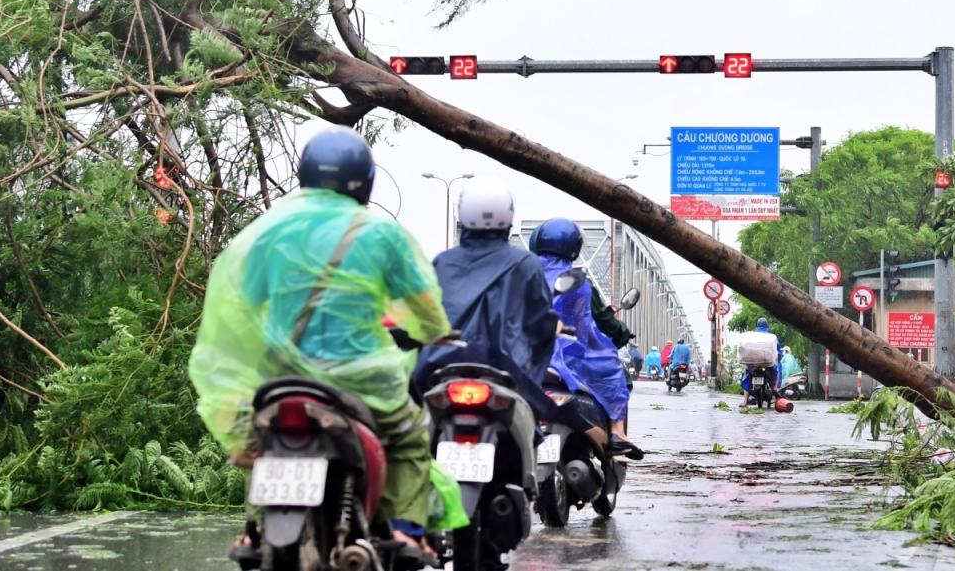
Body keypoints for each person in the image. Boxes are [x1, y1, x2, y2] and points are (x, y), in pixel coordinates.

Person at [189, 126, 451, 563]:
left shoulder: (268, 231)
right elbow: (422, 308)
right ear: (365, 181)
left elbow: (241, 307)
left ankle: (255, 528)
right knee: (409, 436)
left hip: (281, 376)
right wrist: (434, 331)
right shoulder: (381, 233)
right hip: (364, 377)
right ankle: (405, 532)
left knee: (264, 439)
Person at [412, 176, 560, 424]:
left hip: (439, 365)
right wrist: (551, 326)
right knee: (531, 422)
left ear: (463, 214)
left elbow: (424, 316)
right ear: (509, 216)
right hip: (508, 366)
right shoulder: (525, 263)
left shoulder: (442, 262)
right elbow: (540, 322)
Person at [534, 218, 642, 459]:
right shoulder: (578, 280)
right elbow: (585, 326)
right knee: (613, 367)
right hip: (566, 354)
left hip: (526, 354)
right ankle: (617, 433)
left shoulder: (522, 272)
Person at [740, 318, 781, 407]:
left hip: (753, 364)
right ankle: (775, 388)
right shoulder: (772, 337)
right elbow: (779, 351)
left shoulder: (752, 337)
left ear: (757, 325)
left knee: (747, 376)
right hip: (768, 363)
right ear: (767, 326)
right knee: (778, 369)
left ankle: (745, 401)